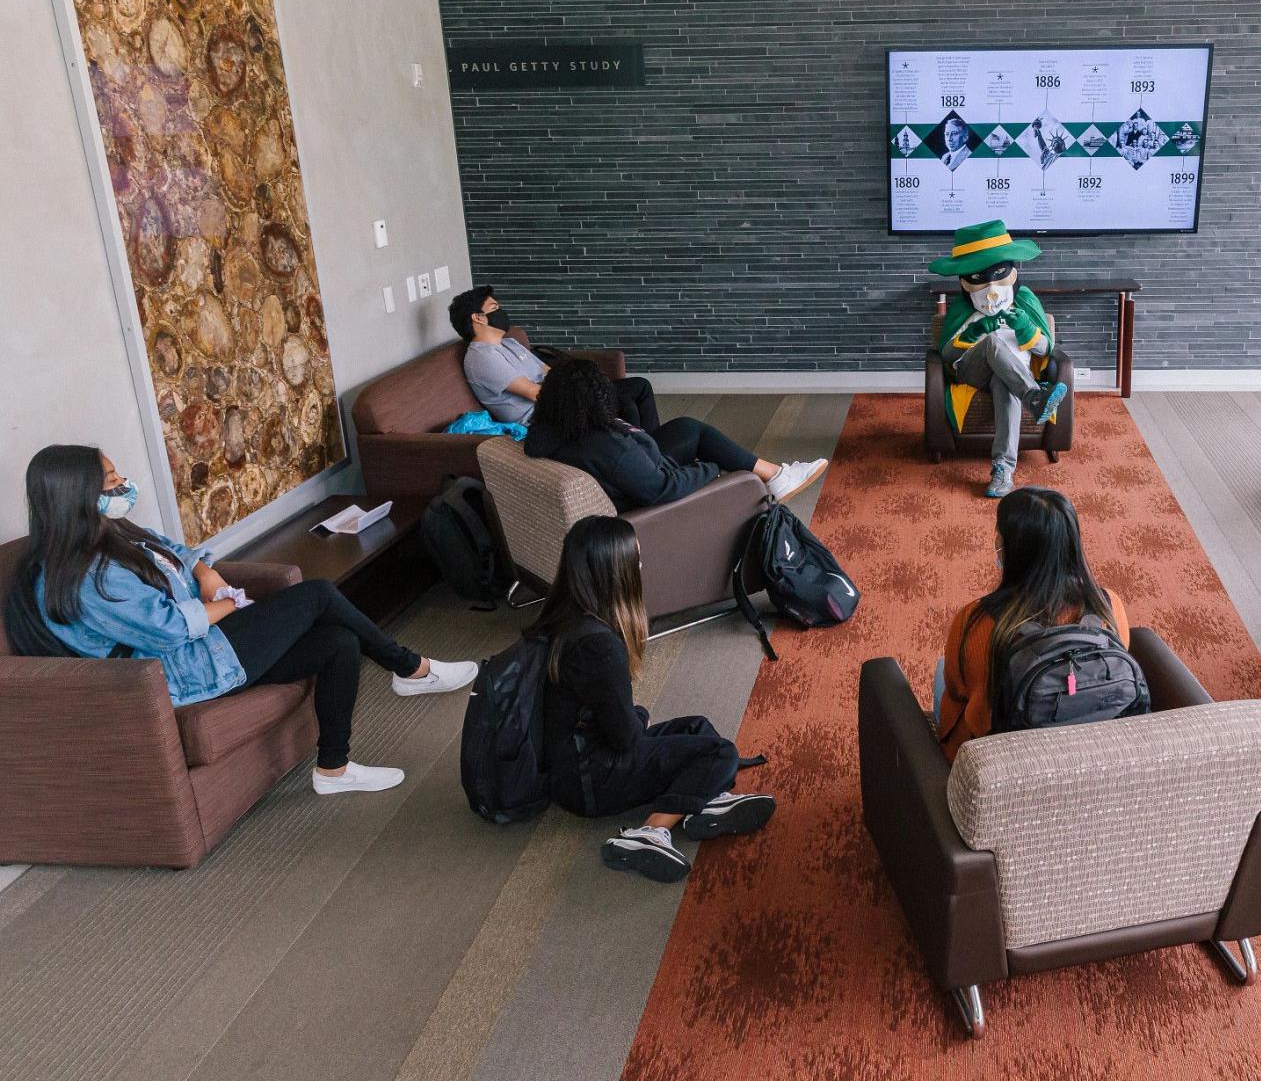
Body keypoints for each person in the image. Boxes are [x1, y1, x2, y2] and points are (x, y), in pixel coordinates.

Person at [4, 446, 479, 794]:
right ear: (76, 495)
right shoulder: (86, 574)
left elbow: (178, 552)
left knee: (338, 641)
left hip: (206, 642)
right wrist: (229, 604)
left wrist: (207, 575)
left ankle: (333, 769)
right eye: (110, 481)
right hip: (181, 671)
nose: (122, 483)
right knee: (316, 594)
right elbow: (170, 628)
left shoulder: (114, 530)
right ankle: (410, 668)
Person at [528, 515, 774, 882]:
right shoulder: (598, 645)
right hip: (590, 781)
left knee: (698, 727)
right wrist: (637, 715)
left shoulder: (567, 618)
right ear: (617, 571)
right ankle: (651, 832)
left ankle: (703, 801)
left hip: (572, 758)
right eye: (636, 561)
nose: (641, 567)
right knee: (719, 752)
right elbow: (625, 737)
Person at [935, 487, 1127, 762]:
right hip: (1092, 759)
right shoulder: (1108, 605)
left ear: (1011, 549)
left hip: (1000, 768)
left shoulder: (976, 620)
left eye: (999, 533)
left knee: (943, 672)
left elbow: (957, 692)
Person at [523, 358, 826, 510]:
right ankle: (775, 478)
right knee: (702, 442)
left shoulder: (547, 432)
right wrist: (708, 468)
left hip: (632, 471)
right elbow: (662, 490)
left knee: (687, 426)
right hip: (643, 498)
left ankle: (774, 475)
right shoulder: (609, 448)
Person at [929, 219, 1070, 499]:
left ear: (1013, 274)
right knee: (993, 341)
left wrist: (1025, 328)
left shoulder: (1026, 300)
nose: (990, 286)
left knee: (1005, 387)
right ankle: (1035, 398)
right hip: (972, 373)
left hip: (1010, 376)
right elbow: (946, 355)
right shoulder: (961, 307)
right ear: (964, 282)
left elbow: (1045, 350)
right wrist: (975, 331)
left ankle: (1003, 469)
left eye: (998, 273)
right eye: (979, 277)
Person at [448, 285, 660, 431]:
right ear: (478, 318)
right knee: (624, 403)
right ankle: (648, 455)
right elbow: (533, 393)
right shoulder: (482, 358)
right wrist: (582, 391)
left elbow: (550, 371)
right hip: (540, 416)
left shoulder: (509, 343)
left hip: (559, 398)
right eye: (495, 308)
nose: (501, 312)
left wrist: (583, 383)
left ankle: (655, 448)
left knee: (638, 387)